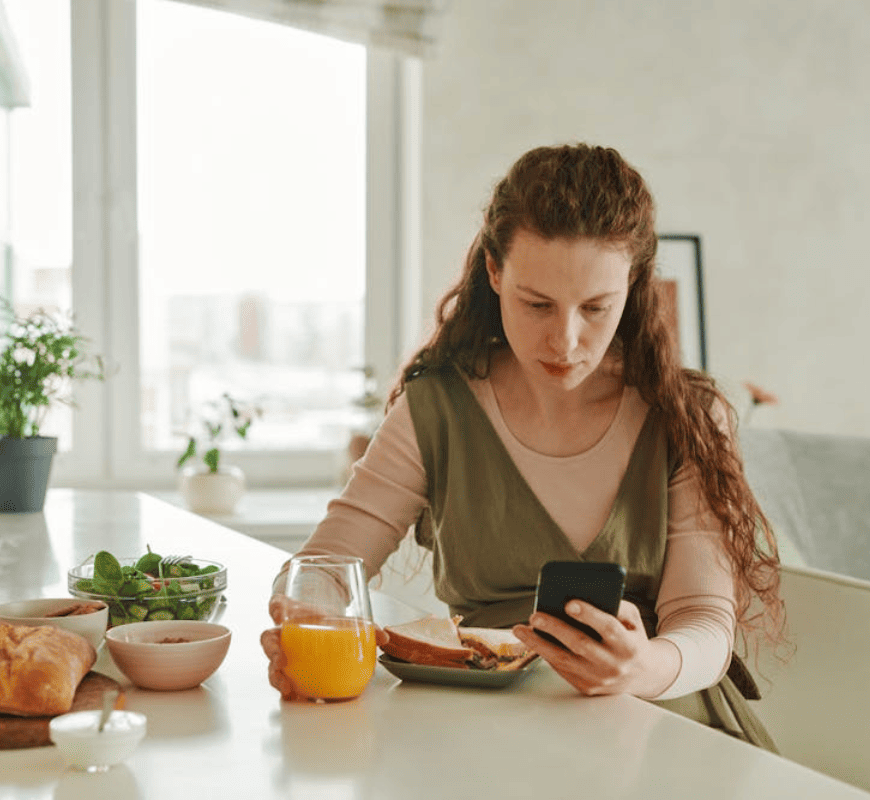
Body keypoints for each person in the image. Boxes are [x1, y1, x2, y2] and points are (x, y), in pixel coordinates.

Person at [260, 143, 785, 749]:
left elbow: (705, 623)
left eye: (596, 307)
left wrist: (642, 666)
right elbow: (325, 567)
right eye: (536, 304)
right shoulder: (437, 408)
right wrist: (307, 617)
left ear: (634, 285)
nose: (565, 340)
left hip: (666, 726)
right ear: (494, 272)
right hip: (487, 735)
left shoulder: (688, 416)